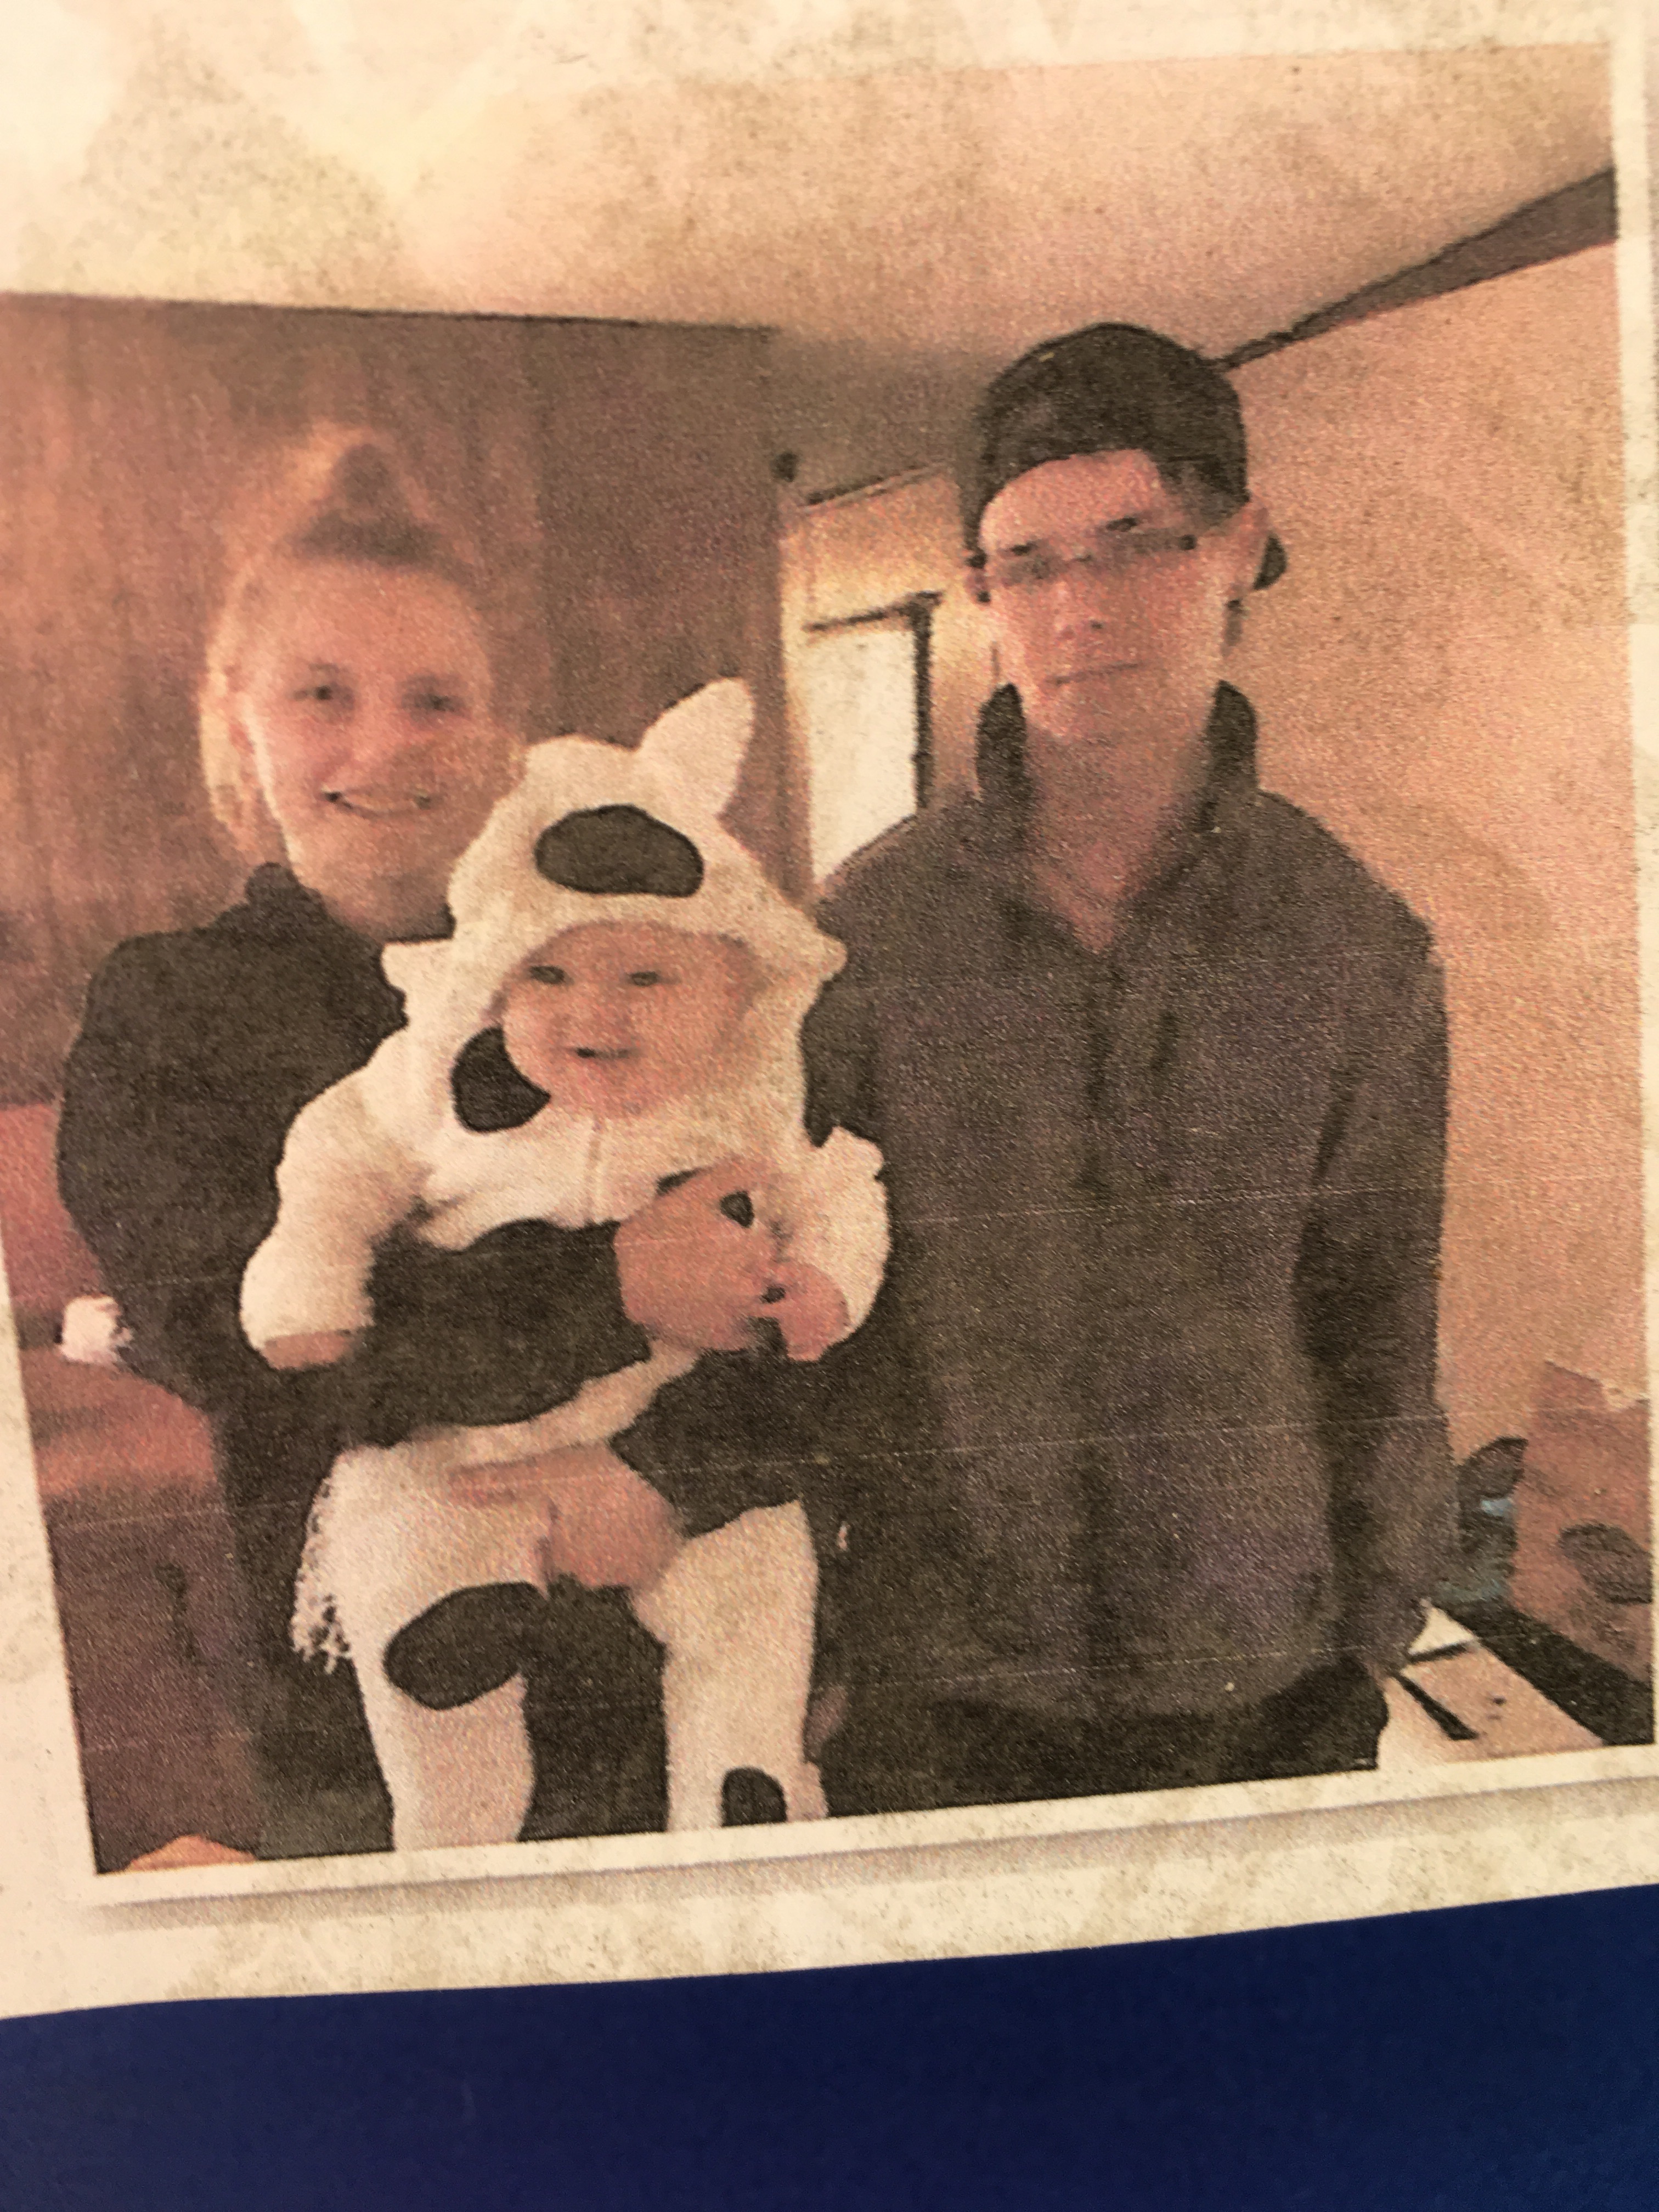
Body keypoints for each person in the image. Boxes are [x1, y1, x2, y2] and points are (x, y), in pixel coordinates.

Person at [611, 323, 1456, 1815]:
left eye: (1137, 544)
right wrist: (816, 1636)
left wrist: (1367, 1647)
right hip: (941, 1682)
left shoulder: (1352, 944)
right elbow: (793, 1307)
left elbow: (1380, 1331)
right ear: (985, 595)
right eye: (1029, 564)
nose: (1081, 607)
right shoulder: (865, 934)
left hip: (1258, 1680)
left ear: (1238, 548)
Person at [57, 433, 782, 1859]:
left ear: (504, 736)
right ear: (239, 720)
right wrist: (613, 1288)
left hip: (676, 1698)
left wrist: (671, 1477)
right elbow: (263, 1352)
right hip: (368, 1744)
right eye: (322, 694)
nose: (384, 745)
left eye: (434, 699)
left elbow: (799, 1289)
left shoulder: (647, 968)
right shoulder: (166, 1011)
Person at [239, 680, 887, 1846]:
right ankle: (454, 1813)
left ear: (734, 986)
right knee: (406, 1535)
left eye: (646, 979)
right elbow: (338, 1157)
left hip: (680, 1431)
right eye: (547, 976)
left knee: (758, 1582)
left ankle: (741, 1786)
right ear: (493, 981)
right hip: (467, 1443)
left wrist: (829, 1282)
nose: (596, 1013)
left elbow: (844, 1187)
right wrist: (309, 1273)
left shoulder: (753, 1100)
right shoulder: (438, 1080)